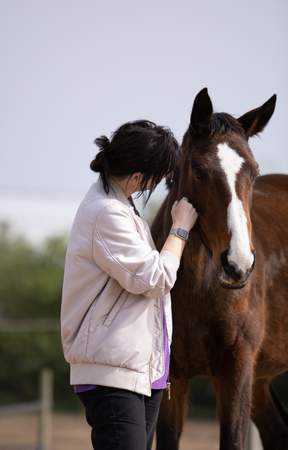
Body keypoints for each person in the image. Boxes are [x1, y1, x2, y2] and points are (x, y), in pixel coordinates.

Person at [60, 119, 198, 450]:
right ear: (137, 177)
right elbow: (155, 278)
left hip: (137, 371)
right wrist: (180, 228)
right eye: (156, 178)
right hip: (112, 374)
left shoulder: (124, 210)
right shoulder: (107, 213)